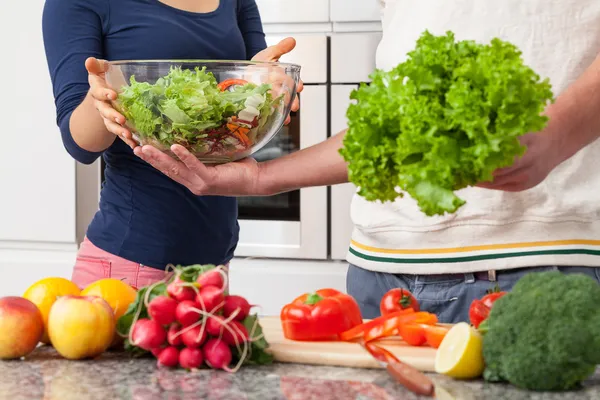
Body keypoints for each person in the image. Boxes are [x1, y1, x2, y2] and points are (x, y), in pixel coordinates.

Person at [136, 0, 600, 323]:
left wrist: (559, 131)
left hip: (538, 264)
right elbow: (395, 129)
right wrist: (263, 177)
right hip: (377, 274)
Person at [42, 0, 300, 289]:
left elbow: (246, 111)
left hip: (214, 266)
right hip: (131, 267)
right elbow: (80, 145)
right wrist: (103, 95)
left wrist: (268, 86)